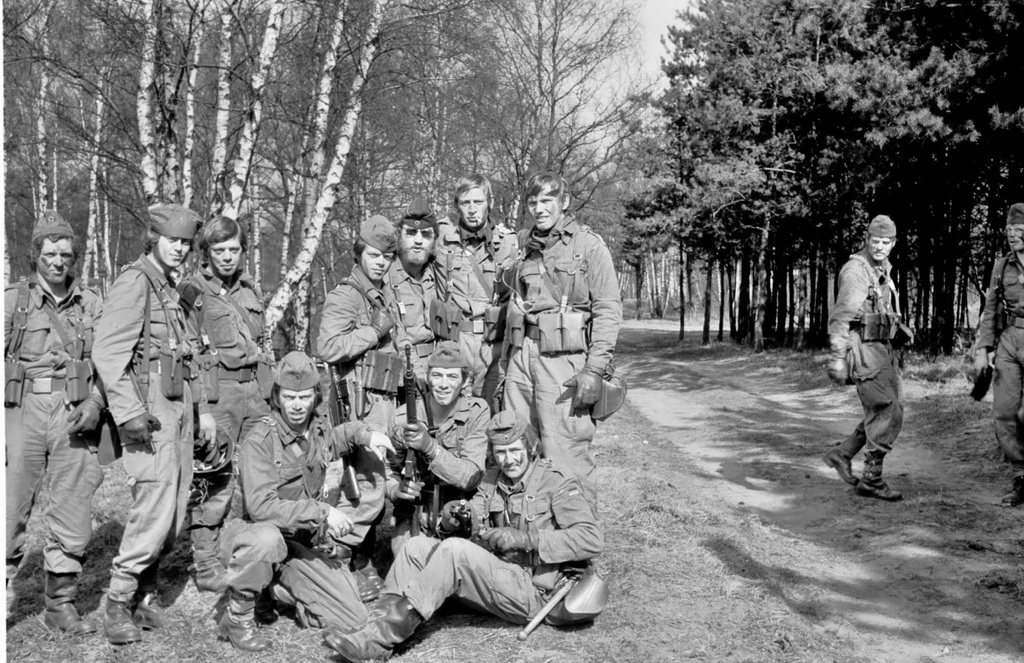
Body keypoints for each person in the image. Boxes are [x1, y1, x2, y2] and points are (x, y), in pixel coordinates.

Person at [322, 410, 604, 662]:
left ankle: (380, 639)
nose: (509, 460)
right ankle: (376, 627)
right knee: (415, 547)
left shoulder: (556, 480)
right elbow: (475, 515)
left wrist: (527, 540)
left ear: (531, 447)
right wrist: (452, 518)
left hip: (535, 590)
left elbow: (591, 538)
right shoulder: (492, 479)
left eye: (515, 450)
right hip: (500, 576)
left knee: (454, 551)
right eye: (501, 453)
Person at [92, 203, 214, 644]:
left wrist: (200, 412)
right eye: (172, 241)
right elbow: (109, 354)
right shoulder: (135, 283)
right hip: (149, 410)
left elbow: (187, 354)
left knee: (176, 508)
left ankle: (146, 596)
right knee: (153, 506)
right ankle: (117, 602)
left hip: (177, 406)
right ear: (153, 240)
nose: (179, 249)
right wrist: (128, 413)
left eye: (185, 243)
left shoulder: (170, 286)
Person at [217, 351, 395, 651]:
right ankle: (238, 617)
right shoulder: (260, 441)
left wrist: (366, 435)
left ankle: (272, 588)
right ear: (277, 397)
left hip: (296, 540)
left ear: (315, 396)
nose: (297, 405)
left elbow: (338, 437)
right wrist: (323, 512)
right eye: (289, 397)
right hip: (250, 536)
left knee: (353, 616)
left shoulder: (315, 430)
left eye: (304, 397)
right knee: (267, 539)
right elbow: (261, 509)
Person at [4, 210, 105, 634]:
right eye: (49, 254)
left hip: (73, 410)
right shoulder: (11, 301)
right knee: (8, 507)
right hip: (20, 409)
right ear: (35, 255)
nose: (58, 261)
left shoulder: (92, 303)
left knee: (73, 505)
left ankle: (59, 604)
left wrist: (96, 403)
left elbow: (111, 363)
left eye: (65, 253)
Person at [501, 172, 623, 506]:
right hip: (522, 357)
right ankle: (527, 525)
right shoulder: (524, 248)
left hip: (564, 362)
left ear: (564, 202)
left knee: (565, 451)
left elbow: (608, 310)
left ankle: (578, 534)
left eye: (547, 200)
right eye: (532, 202)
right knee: (517, 445)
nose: (539, 209)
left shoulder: (589, 246)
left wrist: (594, 370)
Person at [180, 216, 273, 592]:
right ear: (206, 252)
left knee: (261, 470)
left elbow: (262, 343)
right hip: (218, 393)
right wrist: (201, 408)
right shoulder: (192, 291)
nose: (228, 257)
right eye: (219, 250)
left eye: (234, 249)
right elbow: (188, 352)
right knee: (214, 477)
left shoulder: (251, 288)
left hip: (256, 391)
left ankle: (255, 551)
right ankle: (205, 564)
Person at [315, 215, 402, 600]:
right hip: (360, 403)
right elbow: (328, 347)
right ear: (359, 253)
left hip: (385, 395)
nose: (381, 262)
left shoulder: (385, 292)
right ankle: (344, 556)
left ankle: (361, 554)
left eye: (387, 256)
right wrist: (374, 331)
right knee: (366, 484)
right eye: (374, 255)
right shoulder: (346, 296)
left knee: (379, 480)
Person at [824, 214, 909, 502]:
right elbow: (840, 317)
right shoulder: (856, 272)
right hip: (863, 348)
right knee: (886, 409)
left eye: (886, 242)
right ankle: (871, 479)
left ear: (894, 243)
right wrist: (837, 357)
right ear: (867, 239)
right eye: (875, 241)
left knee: (889, 409)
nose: (880, 247)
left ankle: (842, 453)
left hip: (881, 348)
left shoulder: (880, 269)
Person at [387, 341, 489, 555]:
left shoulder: (477, 412)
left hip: (457, 509)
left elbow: (471, 476)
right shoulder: (403, 416)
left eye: (452, 377)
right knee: (407, 559)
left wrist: (430, 447)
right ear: (428, 377)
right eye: (437, 375)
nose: (443, 384)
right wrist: (396, 490)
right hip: (416, 511)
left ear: (465, 381)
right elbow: (388, 469)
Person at [434, 174, 516, 408]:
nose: (472, 209)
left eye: (478, 202)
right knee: (451, 415)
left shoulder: (507, 244)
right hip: (454, 343)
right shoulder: (442, 240)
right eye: (465, 202)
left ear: (490, 202)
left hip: (492, 346)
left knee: (491, 413)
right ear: (456, 205)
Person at [971, 203, 1024, 507]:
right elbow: (990, 310)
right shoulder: (1002, 266)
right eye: (1009, 229)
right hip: (1009, 342)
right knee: (1004, 412)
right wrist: (983, 349)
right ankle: (1021, 476)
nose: (1012, 235)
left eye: (1019, 230)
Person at [386, 198, 442, 381]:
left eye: (426, 234)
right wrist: (419, 376)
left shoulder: (438, 274)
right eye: (410, 233)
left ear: (434, 240)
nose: (418, 241)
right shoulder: (386, 277)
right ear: (398, 235)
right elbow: (396, 336)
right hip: (404, 372)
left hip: (438, 366)